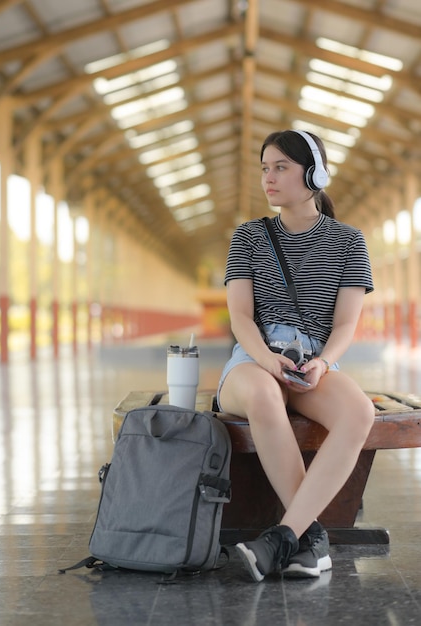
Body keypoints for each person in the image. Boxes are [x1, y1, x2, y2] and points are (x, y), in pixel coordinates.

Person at [217, 129, 375, 582]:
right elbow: (241, 318)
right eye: (265, 168)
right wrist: (266, 359)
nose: (269, 178)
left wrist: (323, 362)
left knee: (358, 412)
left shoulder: (348, 242)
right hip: (252, 362)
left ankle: (287, 537)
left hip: (313, 363)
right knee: (265, 396)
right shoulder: (248, 237)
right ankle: (308, 539)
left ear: (315, 173)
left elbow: (345, 325)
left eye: (280, 167)